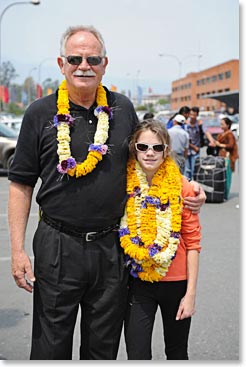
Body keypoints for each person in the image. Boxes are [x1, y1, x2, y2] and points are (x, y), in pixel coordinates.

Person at [8, 25, 206, 360]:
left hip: (111, 247)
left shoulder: (123, 109)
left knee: (102, 348)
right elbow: (20, 184)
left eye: (92, 58)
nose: (83, 65)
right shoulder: (39, 113)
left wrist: (191, 188)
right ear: (61, 63)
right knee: (49, 347)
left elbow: (150, 158)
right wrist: (16, 251)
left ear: (104, 63)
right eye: (75, 58)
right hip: (57, 245)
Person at [119, 119, 201, 360]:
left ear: (166, 150)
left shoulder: (183, 187)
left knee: (176, 353)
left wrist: (191, 294)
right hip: (138, 280)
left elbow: (194, 243)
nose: (150, 153)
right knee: (137, 354)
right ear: (134, 148)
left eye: (157, 148)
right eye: (143, 147)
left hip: (177, 284)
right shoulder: (122, 184)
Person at [211, 116, 238, 199]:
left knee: (227, 176)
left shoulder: (229, 134)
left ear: (228, 125)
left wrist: (220, 145)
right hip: (221, 157)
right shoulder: (222, 134)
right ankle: (221, 192)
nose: (221, 126)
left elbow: (231, 145)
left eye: (222, 124)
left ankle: (225, 194)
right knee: (221, 175)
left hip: (227, 157)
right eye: (220, 124)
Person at [184, 107, 203, 180]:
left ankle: (194, 186)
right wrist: (193, 147)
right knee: (187, 171)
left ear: (197, 115)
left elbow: (206, 132)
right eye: (191, 114)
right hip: (187, 150)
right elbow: (185, 139)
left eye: (194, 115)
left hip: (196, 151)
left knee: (194, 170)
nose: (192, 117)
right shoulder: (185, 124)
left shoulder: (199, 124)